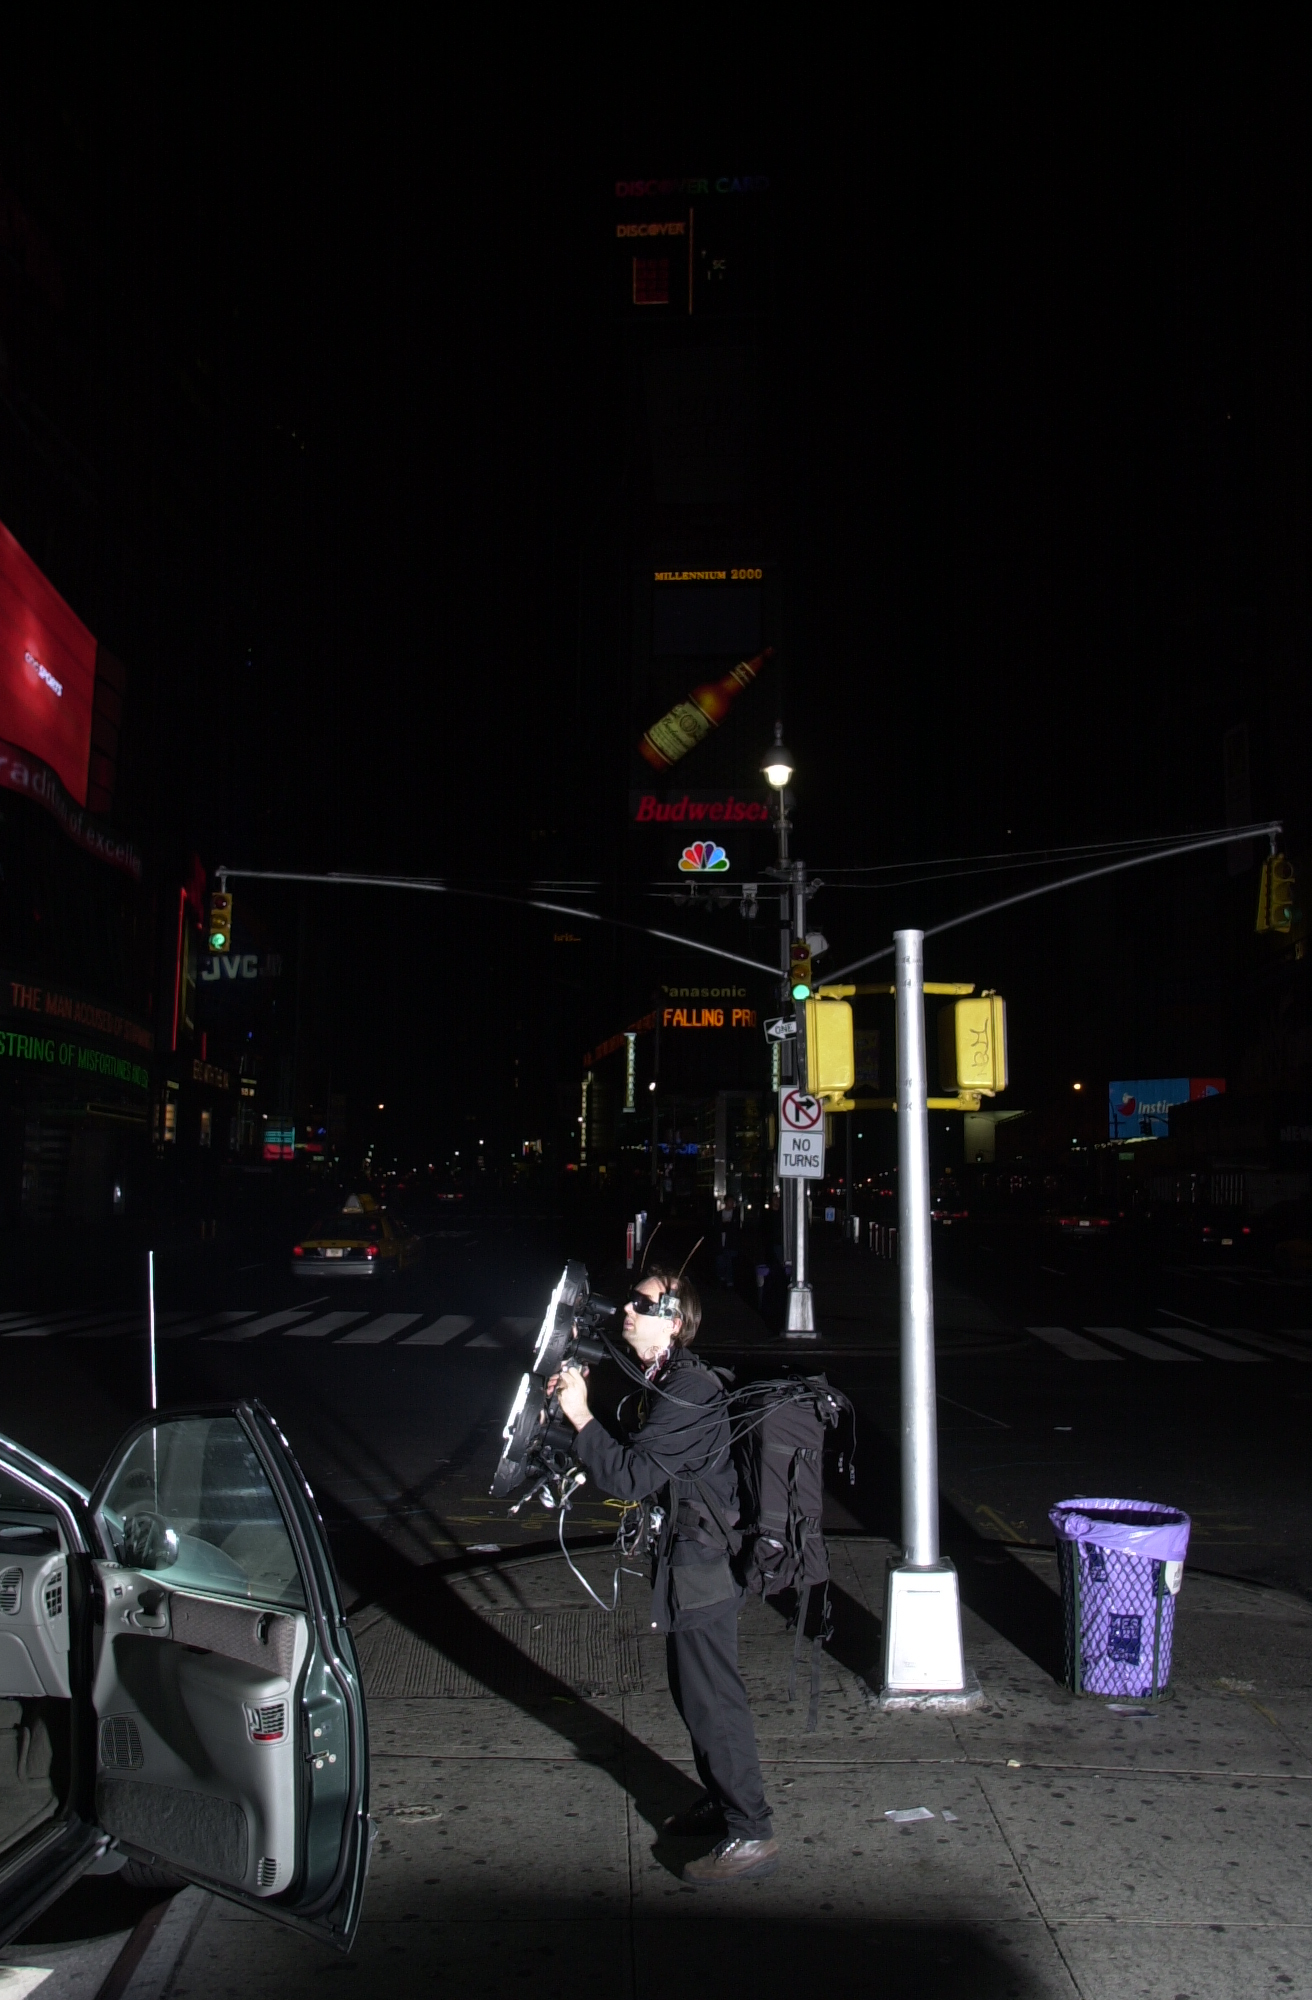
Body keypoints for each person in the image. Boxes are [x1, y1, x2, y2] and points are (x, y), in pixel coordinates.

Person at [552, 1266, 779, 1885]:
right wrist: (580, 1414)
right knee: (692, 1693)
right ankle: (724, 1800)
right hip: (689, 1557)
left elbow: (631, 1476)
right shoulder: (666, 1379)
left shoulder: (689, 1389)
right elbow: (643, 1454)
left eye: (642, 1304)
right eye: (630, 1301)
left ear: (674, 1323)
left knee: (713, 1701)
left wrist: (581, 1419)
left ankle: (751, 1828)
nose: (627, 1310)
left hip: (704, 1564)